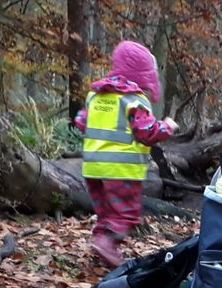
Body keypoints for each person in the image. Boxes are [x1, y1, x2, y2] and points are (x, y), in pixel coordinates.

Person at [73, 41, 177, 269]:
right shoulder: (134, 100)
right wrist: (167, 126)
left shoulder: (96, 95)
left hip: (92, 168)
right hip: (121, 170)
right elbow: (147, 133)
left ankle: (102, 244)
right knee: (126, 215)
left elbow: (81, 122)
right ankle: (107, 242)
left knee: (105, 212)